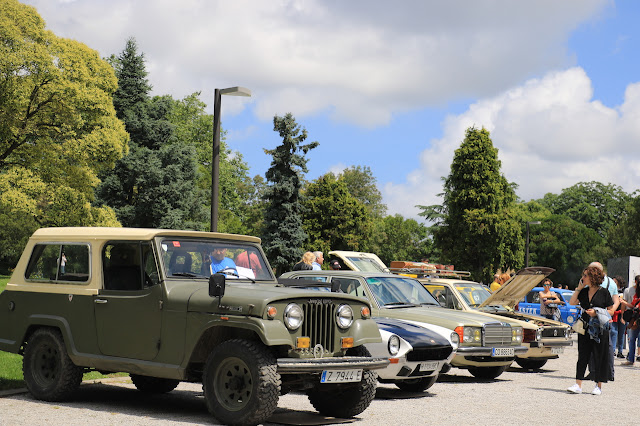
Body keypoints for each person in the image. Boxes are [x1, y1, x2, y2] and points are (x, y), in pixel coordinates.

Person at [567, 265, 614, 395]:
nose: (582, 278)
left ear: (593, 277)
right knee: (582, 355)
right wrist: (579, 287)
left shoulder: (604, 292)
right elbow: (571, 302)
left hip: (599, 328)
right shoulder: (583, 292)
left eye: (585, 276)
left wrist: (597, 312)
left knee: (599, 356)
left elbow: (611, 310)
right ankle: (578, 384)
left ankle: (598, 386)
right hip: (585, 326)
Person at [588, 261, 619, 382]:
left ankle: (594, 371)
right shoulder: (611, 282)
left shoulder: (592, 282)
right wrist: (609, 312)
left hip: (594, 316)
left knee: (592, 344)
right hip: (606, 317)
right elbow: (616, 300)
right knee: (608, 345)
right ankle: (609, 372)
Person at [620, 277, 640, 366]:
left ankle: (632, 359)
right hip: (635, 319)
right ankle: (631, 359)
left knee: (633, 339)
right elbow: (633, 306)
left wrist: (624, 303)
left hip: (636, 319)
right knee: (631, 340)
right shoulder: (635, 293)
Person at [613, 276, 627, 358]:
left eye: (615, 281)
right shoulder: (612, 290)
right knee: (614, 332)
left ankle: (620, 351)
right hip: (614, 313)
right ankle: (613, 350)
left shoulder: (624, 291)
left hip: (622, 313)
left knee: (621, 333)